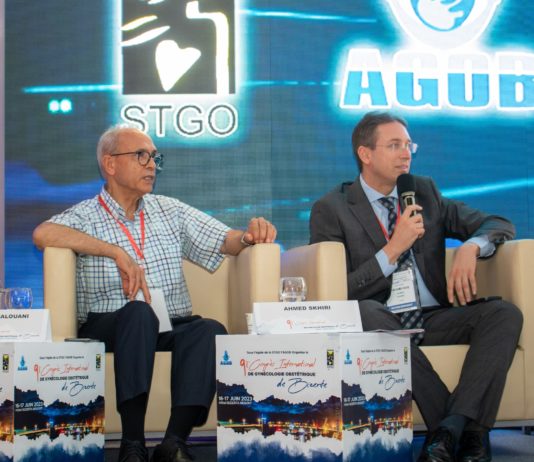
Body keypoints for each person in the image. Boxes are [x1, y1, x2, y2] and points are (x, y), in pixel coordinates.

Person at [33, 125, 277, 462]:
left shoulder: (168, 210)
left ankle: (173, 443)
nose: (152, 165)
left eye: (154, 158)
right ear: (110, 163)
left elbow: (224, 240)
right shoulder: (86, 215)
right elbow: (43, 233)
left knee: (209, 329)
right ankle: (133, 443)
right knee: (138, 312)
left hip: (168, 324)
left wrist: (249, 237)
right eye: (141, 156)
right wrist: (114, 251)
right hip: (110, 324)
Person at [309, 111, 522, 462]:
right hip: (379, 318)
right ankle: (467, 432)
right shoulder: (332, 208)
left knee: (503, 314)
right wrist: (393, 249)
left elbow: (498, 223)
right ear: (365, 154)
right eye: (394, 145)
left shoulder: (423, 191)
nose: (406, 154)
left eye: (409, 145)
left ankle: (448, 430)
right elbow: (336, 292)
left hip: (431, 317)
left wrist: (472, 246)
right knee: (367, 312)